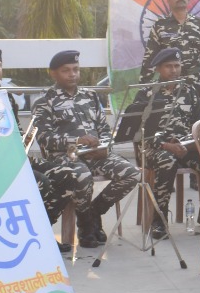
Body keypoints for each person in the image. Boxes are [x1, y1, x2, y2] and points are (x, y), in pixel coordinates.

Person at [31, 50, 142, 249]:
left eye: (76, 69)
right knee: (82, 176)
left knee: (132, 174)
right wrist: (76, 141)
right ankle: (86, 227)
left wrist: (104, 148)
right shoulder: (44, 102)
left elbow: (104, 129)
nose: (72, 74)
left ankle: (92, 212)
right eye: (66, 70)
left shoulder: (90, 96)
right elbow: (44, 138)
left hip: (95, 155)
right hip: (65, 158)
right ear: (53, 73)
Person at [124, 47, 200, 240]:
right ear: (158, 69)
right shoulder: (146, 94)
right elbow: (138, 131)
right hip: (154, 149)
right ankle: (159, 219)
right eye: (169, 66)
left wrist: (189, 143)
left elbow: (197, 124)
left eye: (177, 66)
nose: (174, 70)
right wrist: (165, 145)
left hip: (184, 147)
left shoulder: (189, 92)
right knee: (167, 160)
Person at [141, 0, 200, 88]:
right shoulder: (159, 25)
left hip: (194, 84)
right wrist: (144, 87)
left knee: (196, 105)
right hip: (168, 84)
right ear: (168, 0)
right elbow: (150, 58)